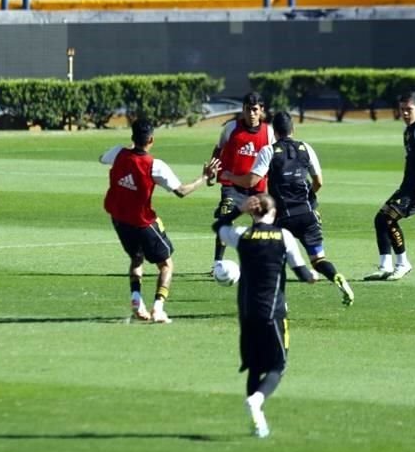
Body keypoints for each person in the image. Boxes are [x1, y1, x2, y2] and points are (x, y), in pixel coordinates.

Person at [222, 111, 354, 306]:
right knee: (318, 260)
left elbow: (252, 180)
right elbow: (319, 181)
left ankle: (280, 302)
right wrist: (309, 198)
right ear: (293, 129)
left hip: (283, 218)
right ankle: (338, 279)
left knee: (277, 261)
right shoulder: (306, 148)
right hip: (308, 215)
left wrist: (230, 177)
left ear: (274, 132)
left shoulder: (268, 151)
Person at [213, 193, 318, 438]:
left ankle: (257, 421)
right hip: (274, 312)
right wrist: (312, 277)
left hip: (247, 311)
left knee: (254, 367)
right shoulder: (284, 236)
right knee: (278, 366)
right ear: (274, 212)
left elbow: (218, 226)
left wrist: (238, 209)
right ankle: (257, 400)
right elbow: (302, 273)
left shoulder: (242, 235)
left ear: (253, 212)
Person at [101, 118, 220, 324]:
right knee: (166, 264)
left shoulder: (118, 152)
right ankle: (158, 308)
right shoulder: (155, 166)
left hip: (119, 219)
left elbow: (102, 158)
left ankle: (137, 299)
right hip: (142, 221)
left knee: (136, 259)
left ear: (132, 137)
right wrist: (204, 177)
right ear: (151, 140)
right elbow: (181, 191)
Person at [364, 91, 415, 281]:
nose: (405, 114)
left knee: (388, 218)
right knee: (380, 220)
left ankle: (403, 264)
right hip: (409, 185)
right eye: (402, 110)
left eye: (409, 110)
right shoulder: (409, 129)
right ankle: (385, 266)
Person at [208, 91, 275, 272]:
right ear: (243, 110)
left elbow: (273, 160)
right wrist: (212, 171)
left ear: (261, 110)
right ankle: (217, 264)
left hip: (257, 189)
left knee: (261, 226)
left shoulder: (269, 133)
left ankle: (256, 263)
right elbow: (219, 149)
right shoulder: (230, 128)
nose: (251, 114)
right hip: (232, 187)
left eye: (255, 110)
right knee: (224, 219)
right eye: (247, 109)